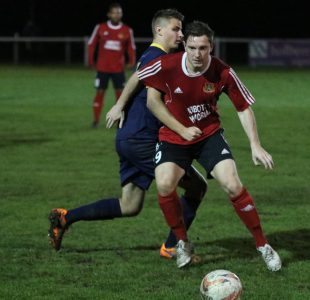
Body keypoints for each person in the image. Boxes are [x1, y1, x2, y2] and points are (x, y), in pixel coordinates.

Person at [48, 10, 207, 260]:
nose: (181, 33)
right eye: (176, 29)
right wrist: (119, 104)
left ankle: (65, 217)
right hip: (143, 140)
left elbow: (137, 77)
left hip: (129, 139)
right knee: (196, 186)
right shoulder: (156, 55)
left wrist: (121, 104)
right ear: (160, 30)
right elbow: (136, 78)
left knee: (130, 205)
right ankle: (173, 246)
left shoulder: (155, 56)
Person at [137, 20, 282, 270]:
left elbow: (243, 107)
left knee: (233, 184)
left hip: (208, 135)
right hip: (174, 137)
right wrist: (181, 129)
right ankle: (181, 242)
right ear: (185, 45)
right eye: (192, 48)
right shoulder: (166, 65)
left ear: (211, 47)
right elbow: (152, 101)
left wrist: (255, 145)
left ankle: (263, 246)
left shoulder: (222, 71)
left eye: (203, 48)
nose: (197, 54)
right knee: (163, 183)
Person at [88, 2, 136, 128]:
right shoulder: (100, 27)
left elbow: (131, 47)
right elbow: (91, 44)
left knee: (121, 96)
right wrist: (91, 61)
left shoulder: (127, 30)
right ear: (109, 14)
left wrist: (131, 61)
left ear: (121, 14)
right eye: (114, 12)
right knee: (100, 92)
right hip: (102, 68)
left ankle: (119, 120)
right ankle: (96, 121)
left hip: (118, 69)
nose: (116, 15)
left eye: (119, 12)